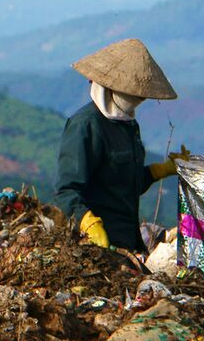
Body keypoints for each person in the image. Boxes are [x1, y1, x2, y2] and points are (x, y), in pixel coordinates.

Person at [52, 38, 180, 254]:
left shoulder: (128, 125)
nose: (138, 100)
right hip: (97, 246)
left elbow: (122, 185)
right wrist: (87, 223)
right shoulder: (85, 126)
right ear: (110, 88)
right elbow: (66, 192)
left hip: (128, 241)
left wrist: (158, 171)